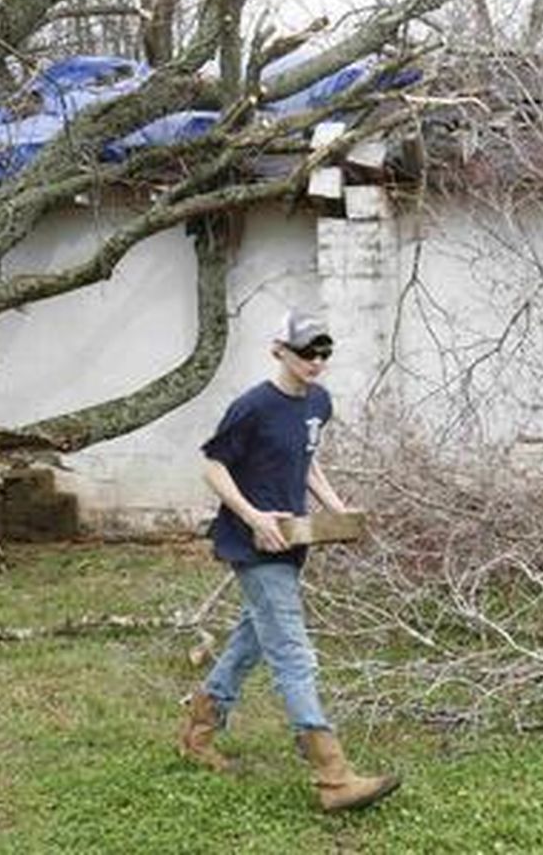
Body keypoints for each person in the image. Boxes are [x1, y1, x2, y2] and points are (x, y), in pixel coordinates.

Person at [176, 309, 400, 813]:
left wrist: (336, 507)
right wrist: (254, 516)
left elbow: (307, 458)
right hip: (253, 543)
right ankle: (332, 775)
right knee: (292, 653)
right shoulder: (252, 407)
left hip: (293, 540)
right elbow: (213, 467)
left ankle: (198, 729)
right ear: (279, 350)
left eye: (324, 352)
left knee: (253, 638)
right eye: (306, 352)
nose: (316, 362)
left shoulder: (319, 402)